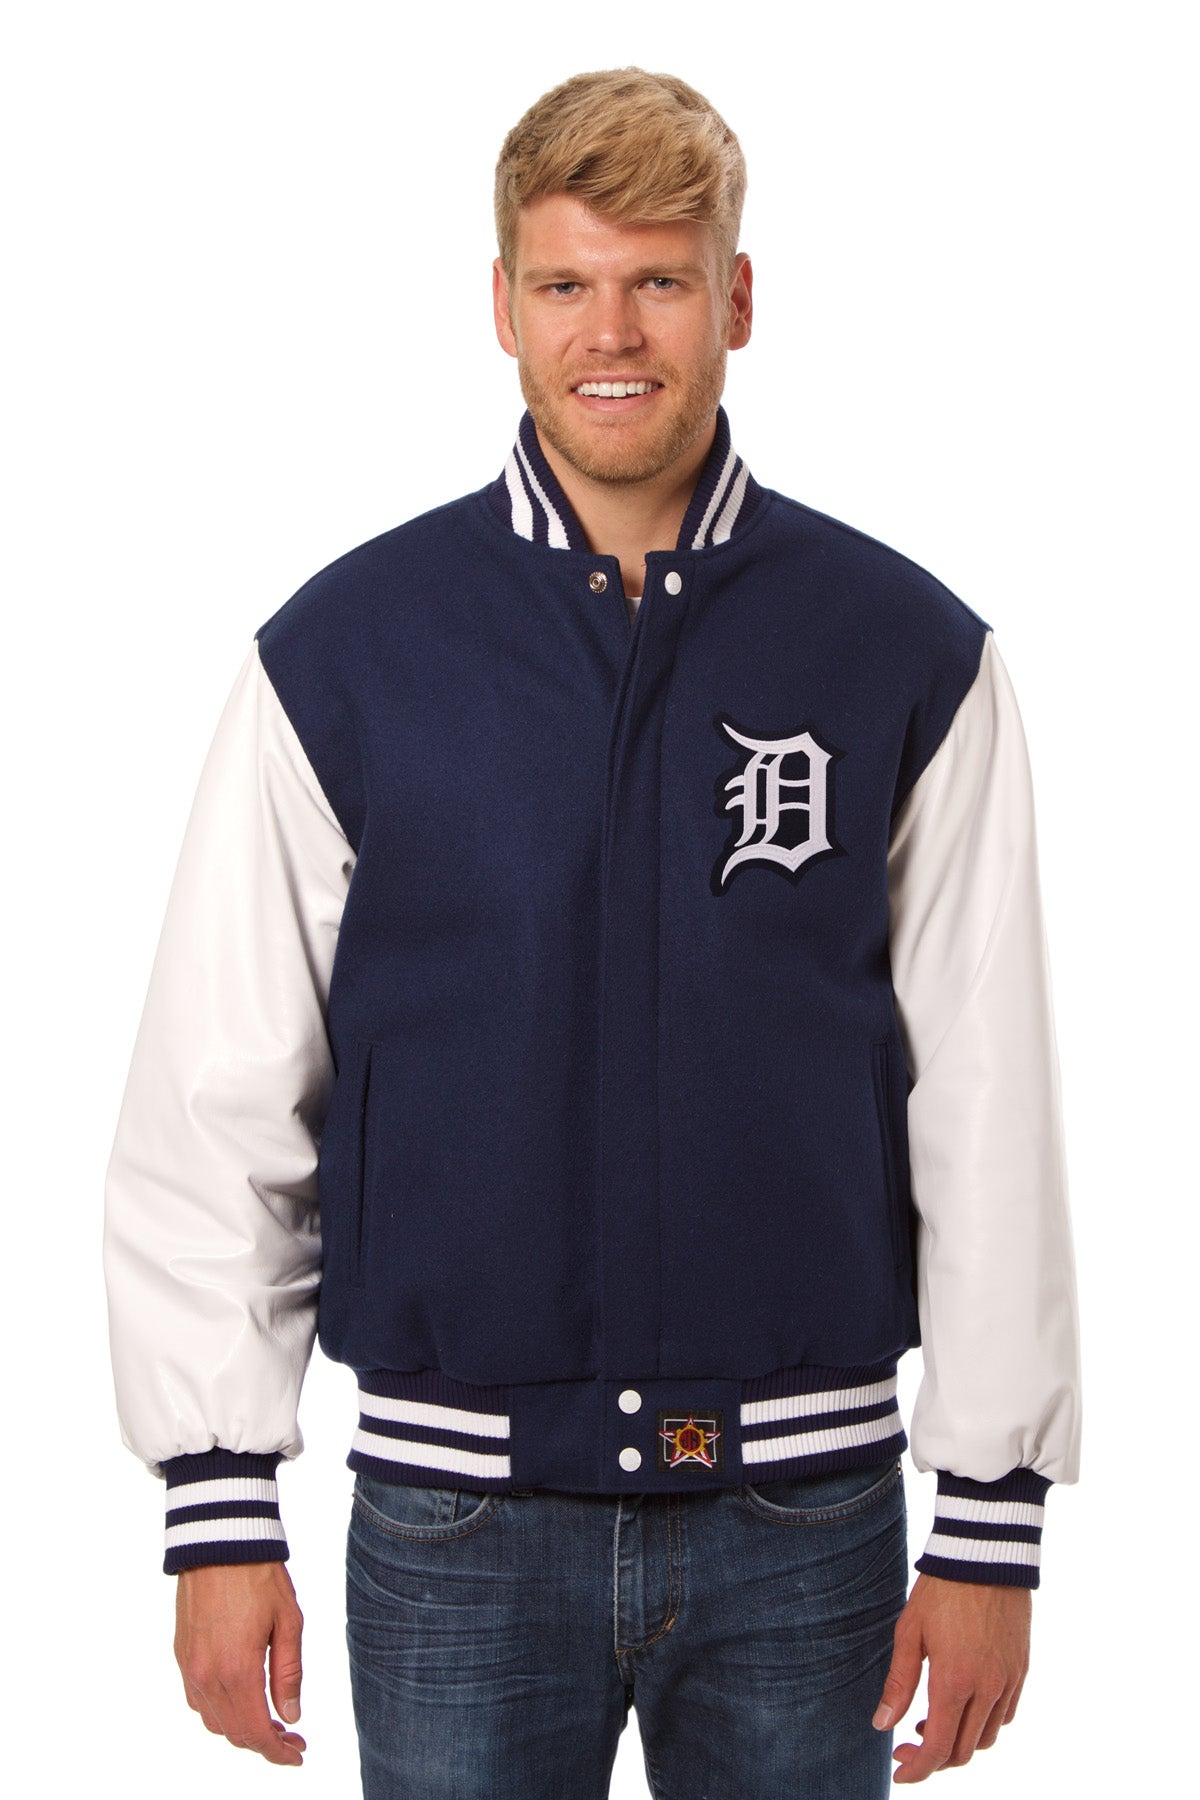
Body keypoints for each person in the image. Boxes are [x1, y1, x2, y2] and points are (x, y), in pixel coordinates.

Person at [103, 66, 1082, 1797]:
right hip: (456, 1525)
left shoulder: (906, 654)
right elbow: (220, 1088)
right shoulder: (346, 657)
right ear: (502, 305)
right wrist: (218, 1503)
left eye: (659, 282)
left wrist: (991, 1518)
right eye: (564, 282)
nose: (610, 332)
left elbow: (988, 1097)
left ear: (738, 298)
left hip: (807, 1526)